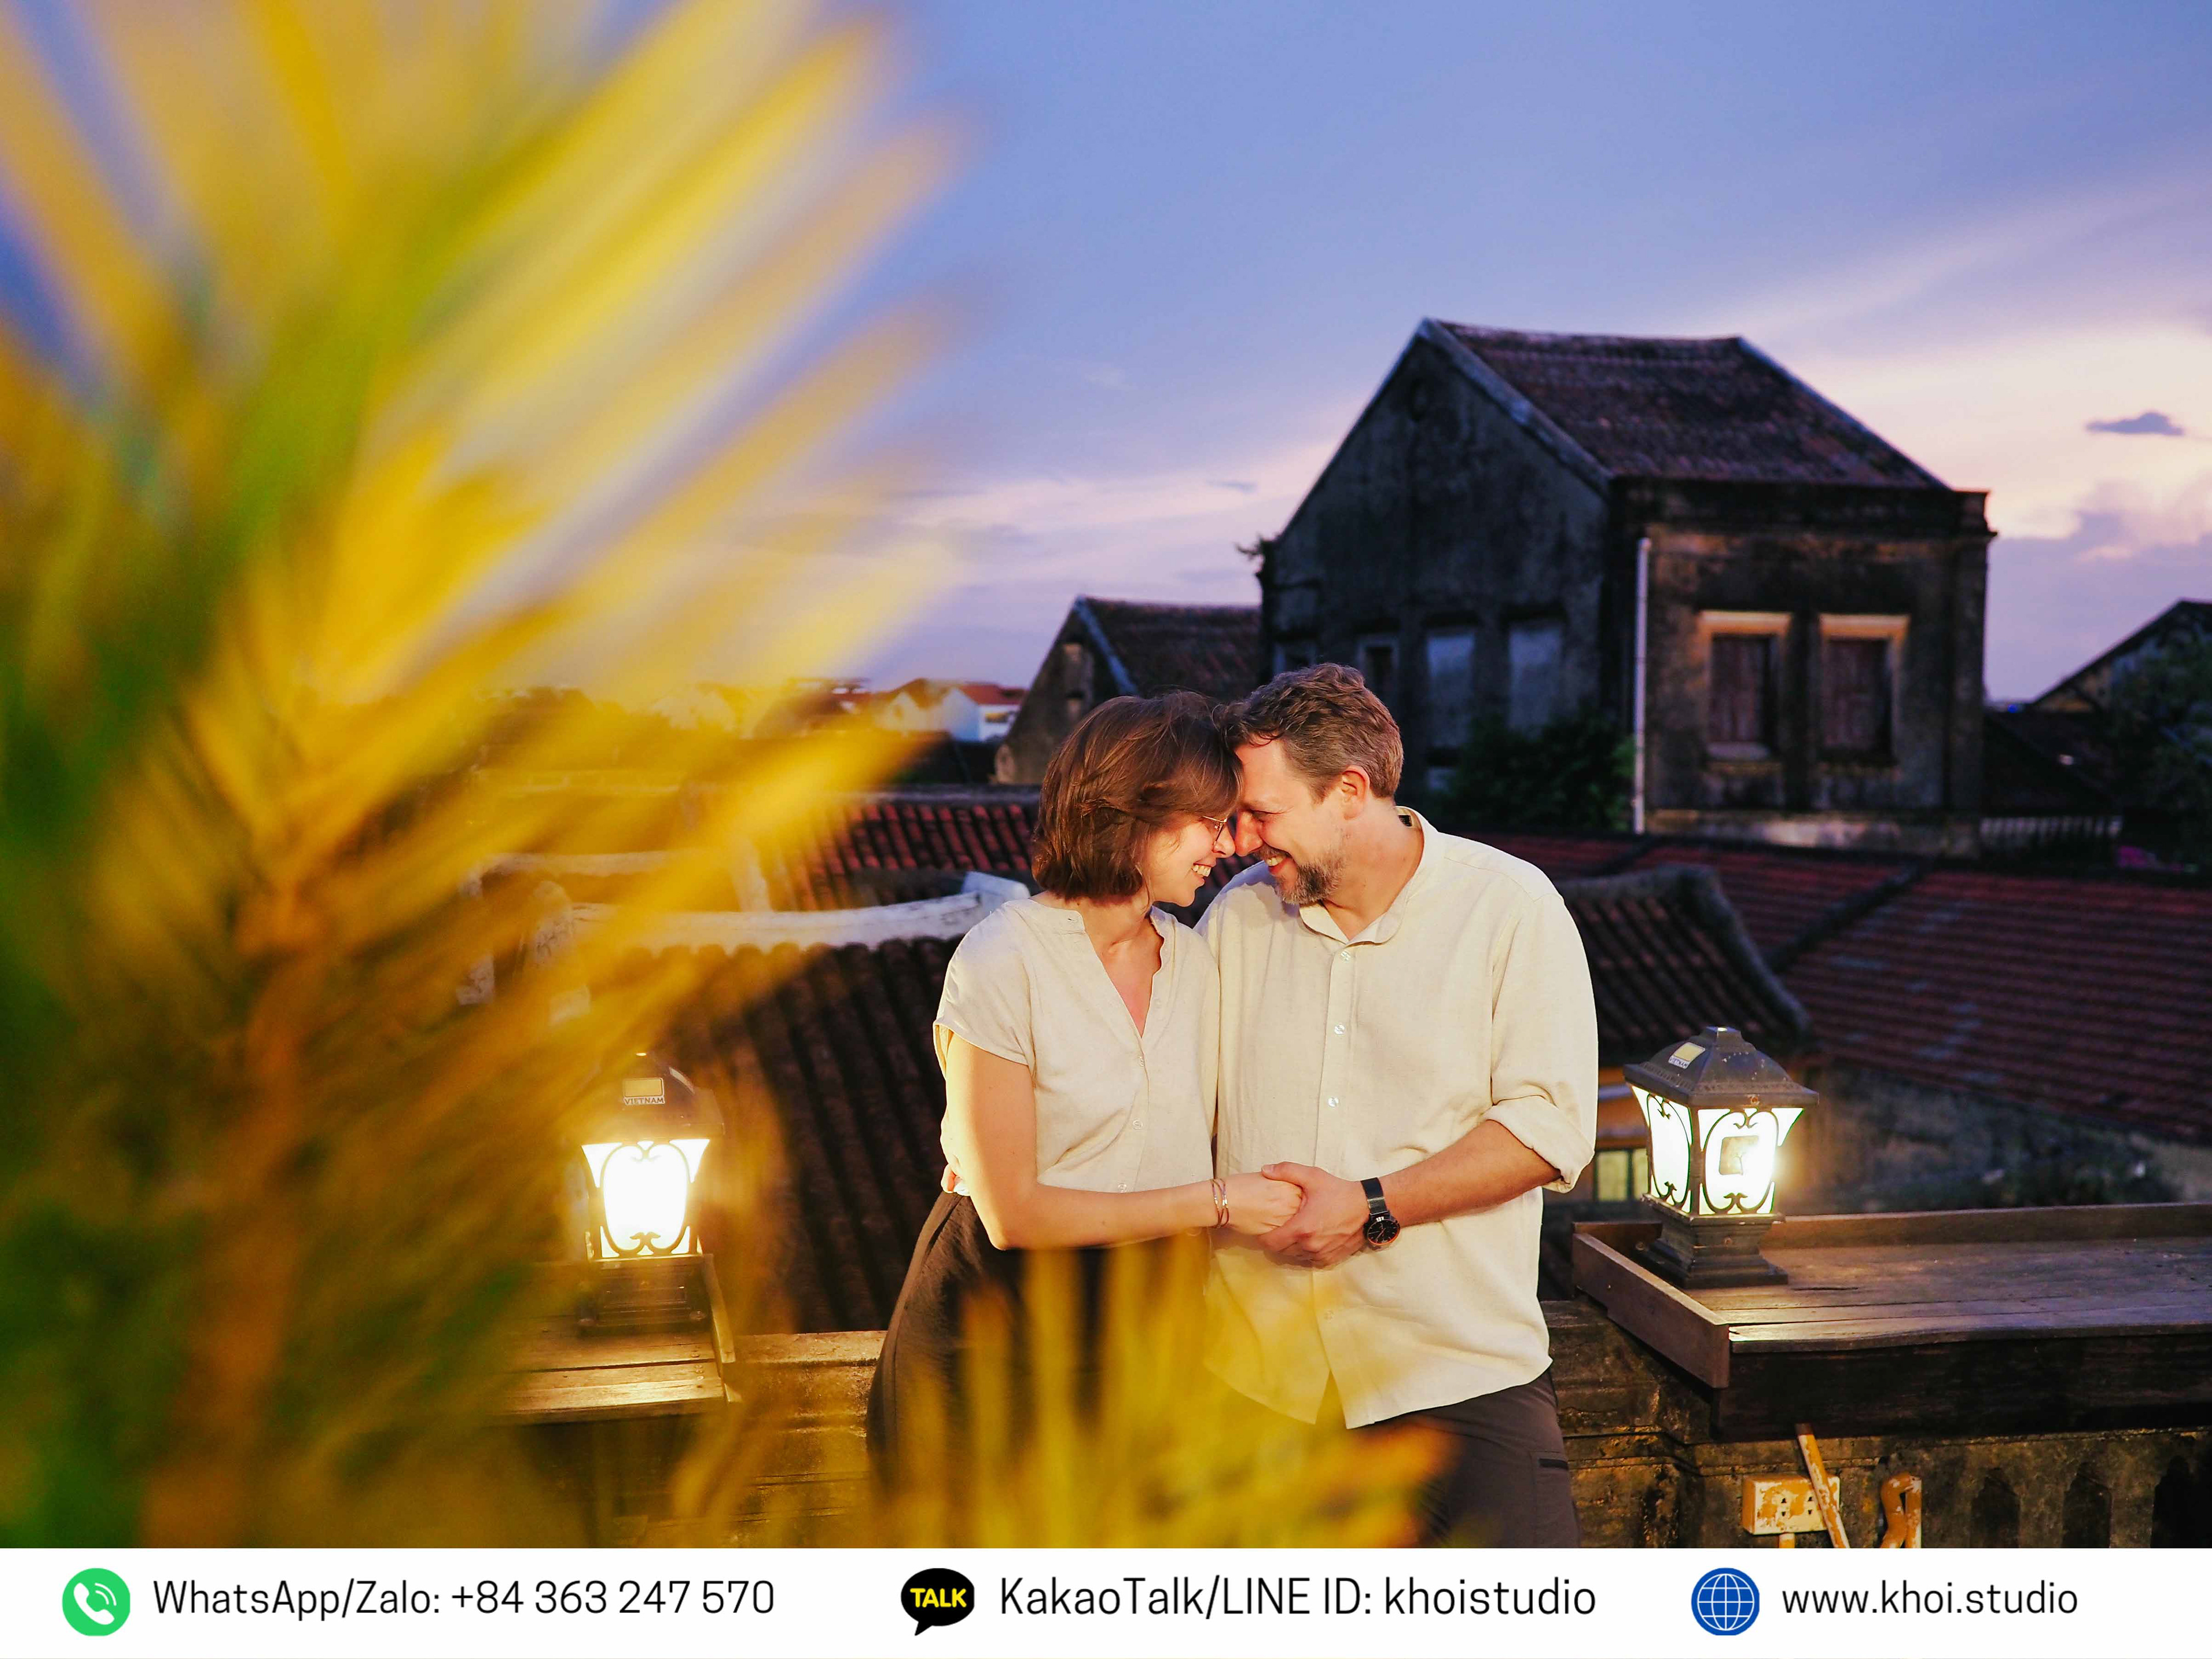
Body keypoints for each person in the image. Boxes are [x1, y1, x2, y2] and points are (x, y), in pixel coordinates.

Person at [1199, 664, 1597, 1546]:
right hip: (1259, 1385)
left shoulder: (1511, 907)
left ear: (1349, 791)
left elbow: (1549, 1127)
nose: (1237, 838)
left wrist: (1372, 1206)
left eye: (1260, 813)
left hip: (1455, 1374)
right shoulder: (1234, 921)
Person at [867, 693, 1304, 1480]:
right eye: (1208, 821)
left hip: (1149, 1328)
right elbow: (1014, 1215)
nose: (1226, 845)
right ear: (1132, 816)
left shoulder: (1198, 961)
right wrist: (1219, 1201)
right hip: (999, 1331)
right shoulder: (1003, 961)